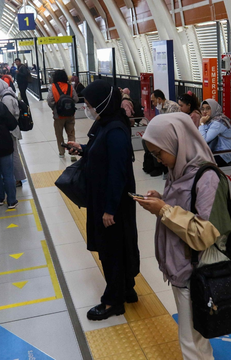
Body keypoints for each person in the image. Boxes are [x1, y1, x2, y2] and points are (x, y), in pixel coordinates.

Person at [135, 112, 231, 360]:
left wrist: (164, 210)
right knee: (195, 335)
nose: (158, 160)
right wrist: (162, 200)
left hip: (195, 270)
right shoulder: (181, 169)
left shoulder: (207, 178)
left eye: (160, 153)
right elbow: (186, 208)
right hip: (181, 265)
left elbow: (205, 232)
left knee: (190, 339)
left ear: (178, 143)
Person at [66, 80, 139, 320]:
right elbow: (103, 153)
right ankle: (126, 290)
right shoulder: (108, 124)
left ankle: (112, 302)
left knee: (111, 252)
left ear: (101, 103)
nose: (88, 108)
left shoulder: (115, 130)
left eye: (89, 104)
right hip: (107, 199)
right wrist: (84, 149)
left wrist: (109, 209)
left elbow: (118, 173)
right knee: (118, 247)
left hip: (112, 203)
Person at [0, 77, 26, 187]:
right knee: (14, 154)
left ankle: (18, 179)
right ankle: (17, 178)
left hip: (11, 131)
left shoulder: (6, 98)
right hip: (12, 129)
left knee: (14, 155)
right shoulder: (8, 93)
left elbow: (8, 117)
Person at [47, 70, 79, 160]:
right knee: (71, 133)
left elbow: (50, 101)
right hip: (70, 115)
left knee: (59, 133)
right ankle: (73, 153)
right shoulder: (70, 87)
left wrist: (55, 108)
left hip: (58, 116)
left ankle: (61, 153)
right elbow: (76, 99)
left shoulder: (52, 87)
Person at [199, 99, 231, 166]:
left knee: (199, 163)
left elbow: (204, 139)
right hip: (214, 152)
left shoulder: (218, 122)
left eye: (208, 109)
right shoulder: (210, 120)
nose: (204, 111)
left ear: (214, 108)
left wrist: (202, 124)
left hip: (223, 155)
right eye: (202, 109)